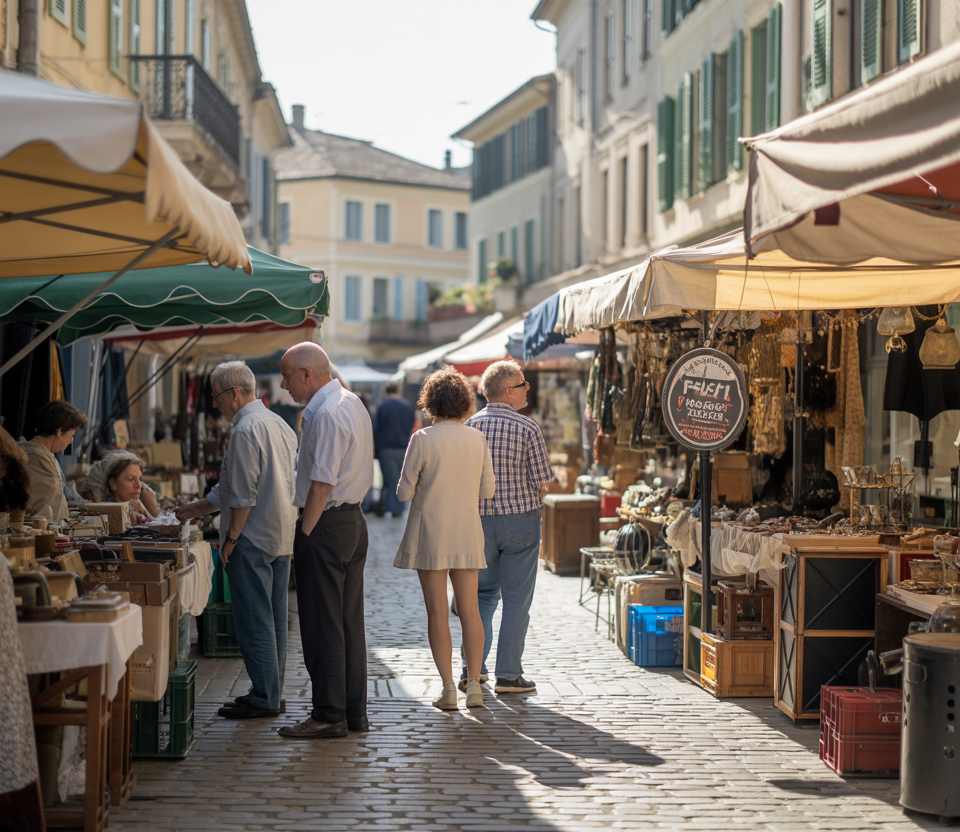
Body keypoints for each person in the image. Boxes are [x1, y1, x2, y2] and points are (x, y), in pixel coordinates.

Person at [175, 362, 298, 719]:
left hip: (253, 536)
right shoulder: (277, 423)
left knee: (254, 621)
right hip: (279, 533)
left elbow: (243, 495)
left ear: (234, 394)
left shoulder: (246, 429)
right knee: (273, 619)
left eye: (215, 396)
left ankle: (264, 696)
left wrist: (230, 538)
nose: (214, 404)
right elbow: (229, 489)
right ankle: (270, 691)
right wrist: (191, 510)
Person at [277, 342, 373, 739]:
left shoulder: (327, 412)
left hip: (328, 523)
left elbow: (321, 484)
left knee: (323, 625)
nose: (283, 386)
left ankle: (329, 714)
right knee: (347, 622)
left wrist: (305, 532)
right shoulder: (348, 401)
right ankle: (352, 713)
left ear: (307, 373)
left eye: (286, 376)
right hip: (349, 522)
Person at [393, 367, 494, 710]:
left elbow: (404, 493)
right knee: (470, 611)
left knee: (437, 613)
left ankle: (449, 688)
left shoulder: (421, 439)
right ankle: (476, 687)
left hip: (431, 533)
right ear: (466, 402)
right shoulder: (477, 438)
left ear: (430, 402)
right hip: (467, 531)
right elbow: (487, 490)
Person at [461, 360, 554, 694]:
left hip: (478, 522)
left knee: (481, 597)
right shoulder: (528, 428)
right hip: (520, 522)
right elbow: (543, 480)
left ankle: (472, 670)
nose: (528, 389)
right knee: (517, 601)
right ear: (508, 391)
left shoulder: (469, 426)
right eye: (524, 384)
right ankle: (509, 675)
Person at [19, 400, 87, 524]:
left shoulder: (44, 454)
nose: (71, 441)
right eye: (71, 434)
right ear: (59, 431)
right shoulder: (38, 457)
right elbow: (49, 511)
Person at [373, 382, 418, 518]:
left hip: (386, 447)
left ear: (385, 392)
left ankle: (394, 509)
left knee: (391, 478)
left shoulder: (383, 406)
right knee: (399, 477)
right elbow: (411, 424)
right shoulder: (407, 406)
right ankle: (387, 506)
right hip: (404, 446)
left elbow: (376, 427)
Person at [84, 451, 155, 523]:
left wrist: (148, 513)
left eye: (139, 478)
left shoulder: (136, 510)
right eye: (131, 478)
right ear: (113, 484)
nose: (139, 485)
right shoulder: (99, 516)